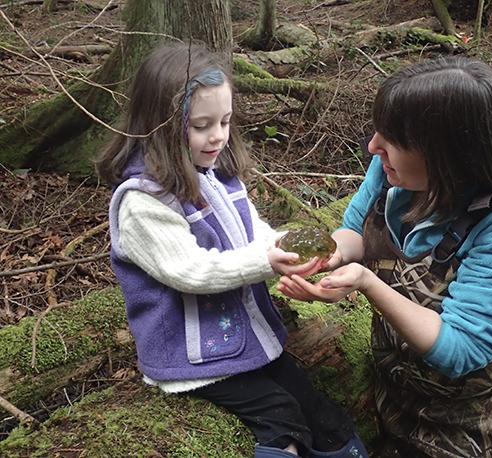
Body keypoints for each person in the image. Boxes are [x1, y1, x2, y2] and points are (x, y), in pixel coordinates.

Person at [95, 41, 368, 458]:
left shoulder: (216, 176)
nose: (218, 135)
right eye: (202, 125)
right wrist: (264, 262)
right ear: (160, 124)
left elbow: (253, 232)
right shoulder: (143, 202)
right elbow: (187, 270)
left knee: (322, 413)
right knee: (281, 419)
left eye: (224, 121)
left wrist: (287, 251)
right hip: (194, 359)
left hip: (244, 342)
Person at [277, 56, 492, 458]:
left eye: (392, 139)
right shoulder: (392, 169)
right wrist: (328, 257)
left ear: (446, 153)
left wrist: (365, 283)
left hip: (477, 424)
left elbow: (461, 349)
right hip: (395, 396)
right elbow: (356, 231)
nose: (374, 146)